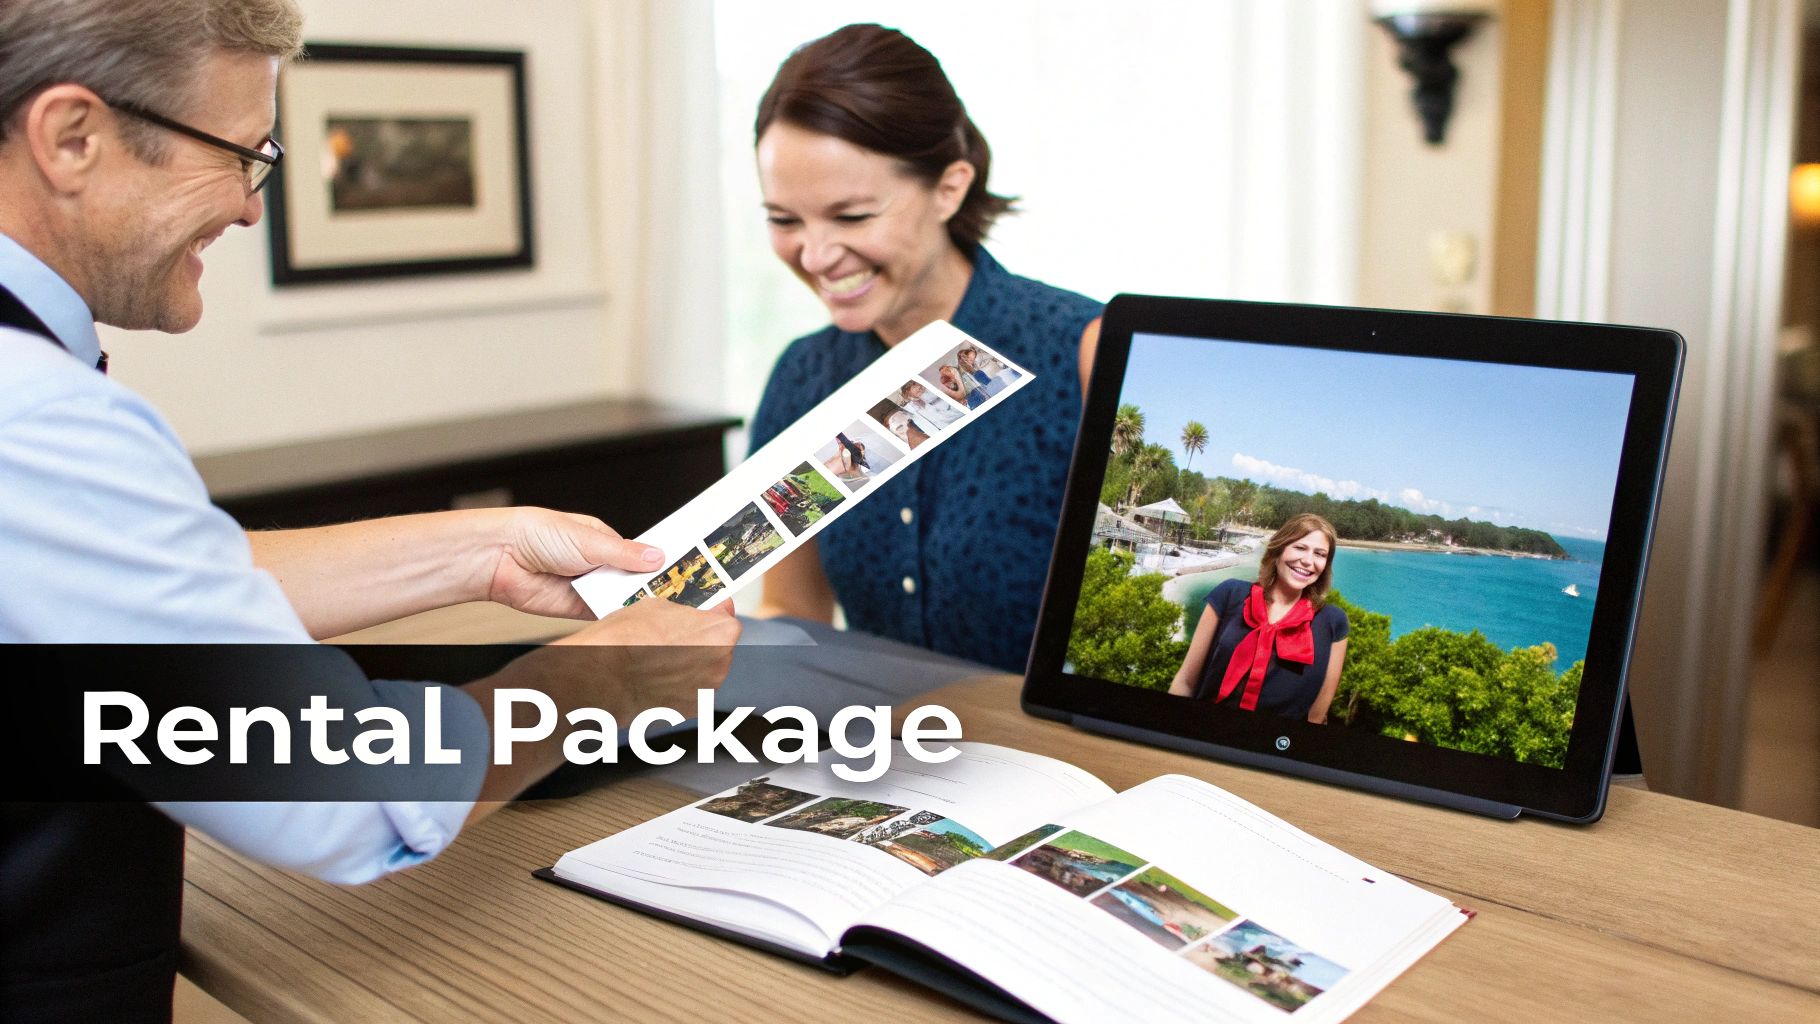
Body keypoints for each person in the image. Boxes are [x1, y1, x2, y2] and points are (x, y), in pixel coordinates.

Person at [0, 3, 738, 1019]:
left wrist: (480, 546)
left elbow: (123, 589)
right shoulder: (35, 420)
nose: (253, 209)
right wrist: (595, 684)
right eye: (241, 155)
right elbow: (345, 792)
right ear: (72, 137)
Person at [1168, 513, 1350, 723]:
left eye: (1320, 554)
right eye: (1300, 548)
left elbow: (1317, 714)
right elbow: (1186, 682)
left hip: (1276, 747)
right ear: (1279, 549)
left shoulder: (1333, 621)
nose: (1308, 561)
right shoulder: (1229, 594)